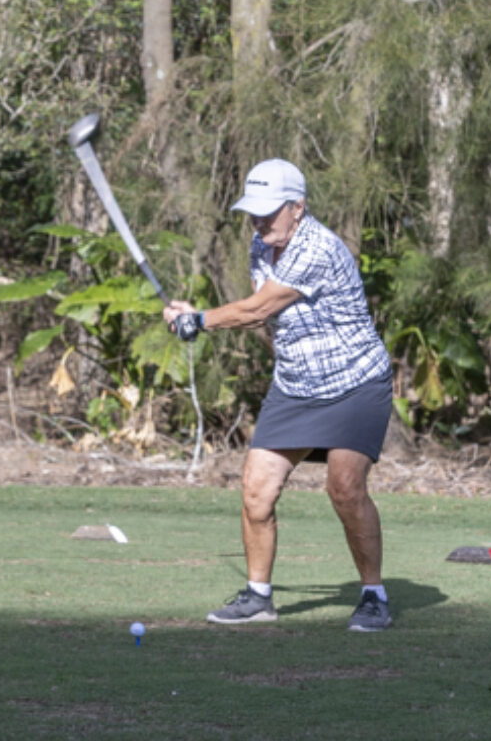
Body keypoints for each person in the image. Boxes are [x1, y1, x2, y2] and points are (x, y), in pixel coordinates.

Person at [163, 158, 396, 632]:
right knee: (256, 489)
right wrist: (198, 315)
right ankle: (258, 597)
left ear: (298, 207)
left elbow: (256, 309)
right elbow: (264, 316)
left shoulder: (317, 247)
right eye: (254, 210)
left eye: (269, 211)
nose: (259, 220)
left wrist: (199, 321)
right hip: (295, 386)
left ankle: (374, 596)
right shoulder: (262, 245)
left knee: (345, 488)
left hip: (355, 382)